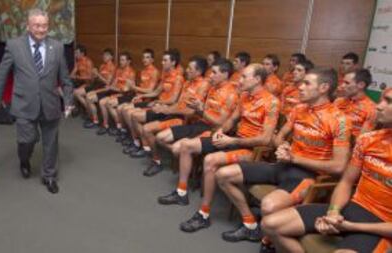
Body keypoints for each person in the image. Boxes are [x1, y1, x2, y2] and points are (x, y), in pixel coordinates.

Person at [216, 68, 351, 242]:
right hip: (284, 164)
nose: (300, 87)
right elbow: (278, 137)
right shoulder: (299, 109)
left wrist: (295, 158)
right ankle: (250, 224)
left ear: (324, 87)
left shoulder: (339, 120)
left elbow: (339, 166)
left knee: (268, 205)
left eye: (307, 83)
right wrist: (283, 146)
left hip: (308, 175)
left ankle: (270, 240)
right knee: (223, 175)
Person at [261, 88, 392, 253]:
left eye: (389, 101)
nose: (379, 106)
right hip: (352, 208)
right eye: (381, 100)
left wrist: (351, 226)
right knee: (270, 224)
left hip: (381, 225)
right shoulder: (368, 140)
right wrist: (333, 212)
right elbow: (346, 182)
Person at [163, 64, 280, 233]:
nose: (239, 80)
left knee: (210, 160)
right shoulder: (245, 96)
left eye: (244, 77)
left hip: (251, 149)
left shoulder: (272, 102)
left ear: (257, 79)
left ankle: (204, 214)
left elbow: (266, 139)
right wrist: (219, 133)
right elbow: (231, 121)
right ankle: (181, 193)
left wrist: (232, 141)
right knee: (187, 146)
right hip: (233, 139)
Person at [0, 9, 73, 194]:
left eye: (44, 25)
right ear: (28, 26)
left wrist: (68, 101)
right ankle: (24, 159)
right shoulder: (14, 46)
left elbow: (65, 79)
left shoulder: (57, 47)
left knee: (51, 143)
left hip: (50, 104)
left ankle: (49, 176)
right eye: (37, 25)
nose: (41, 29)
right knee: (26, 140)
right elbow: (2, 74)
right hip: (23, 104)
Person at [334, 69, 377, 140]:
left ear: (361, 85)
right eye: (342, 82)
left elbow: (361, 140)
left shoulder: (372, 109)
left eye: (347, 83)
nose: (342, 85)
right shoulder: (339, 101)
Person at [73, 48, 115, 117]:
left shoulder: (112, 67)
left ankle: (92, 116)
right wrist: (94, 74)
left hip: (104, 87)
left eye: (107, 55)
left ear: (111, 57)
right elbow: (95, 78)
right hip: (96, 84)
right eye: (104, 55)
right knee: (76, 93)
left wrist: (98, 74)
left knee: (88, 96)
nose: (104, 56)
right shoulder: (102, 66)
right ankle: (88, 110)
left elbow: (108, 83)